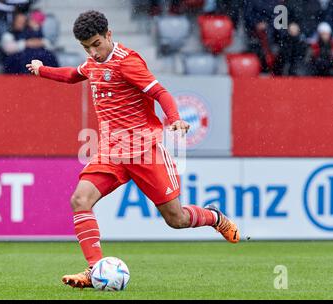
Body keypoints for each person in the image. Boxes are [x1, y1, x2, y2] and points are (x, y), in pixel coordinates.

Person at [27, 10, 240, 289]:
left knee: (176, 219)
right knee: (80, 200)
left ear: (108, 35)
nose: (93, 52)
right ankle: (94, 270)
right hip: (112, 152)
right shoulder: (93, 63)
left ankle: (214, 217)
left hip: (144, 150)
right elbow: (72, 75)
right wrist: (42, 70)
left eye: (96, 44)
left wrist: (174, 119)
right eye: (86, 47)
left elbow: (160, 92)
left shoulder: (128, 62)